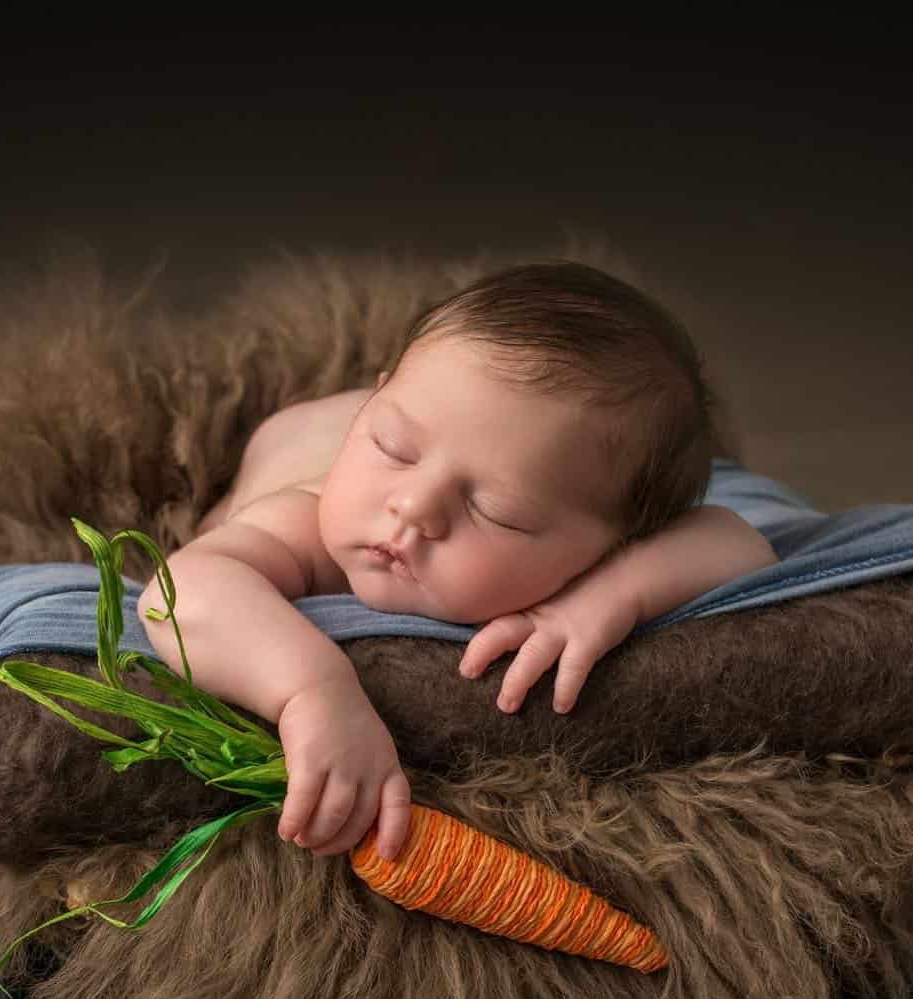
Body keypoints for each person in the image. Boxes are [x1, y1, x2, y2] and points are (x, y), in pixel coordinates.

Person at [136, 260, 778, 867]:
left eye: (498, 511)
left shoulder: (595, 556)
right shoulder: (307, 524)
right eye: (390, 445)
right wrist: (310, 690)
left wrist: (611, 596)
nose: (413, 506)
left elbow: (741, 542)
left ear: (606, 547)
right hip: (297, 440)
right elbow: (181, 589)